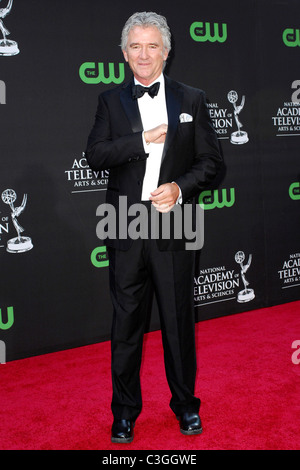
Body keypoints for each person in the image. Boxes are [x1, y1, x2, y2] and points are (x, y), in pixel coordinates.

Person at [85, 11, 223, 443]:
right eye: (135, 46)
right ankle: (124, 412)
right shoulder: (110, 101)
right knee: (126, 323)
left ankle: (185, 406)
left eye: (152, 46)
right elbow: (96, 155)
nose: (144, 54)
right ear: (124, 54)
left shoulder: (193, 99)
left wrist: (180, 189)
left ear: (167, 50)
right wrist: (143, 140)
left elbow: (212, 163)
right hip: (125, 222)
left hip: (176, 220)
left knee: (179, 321)